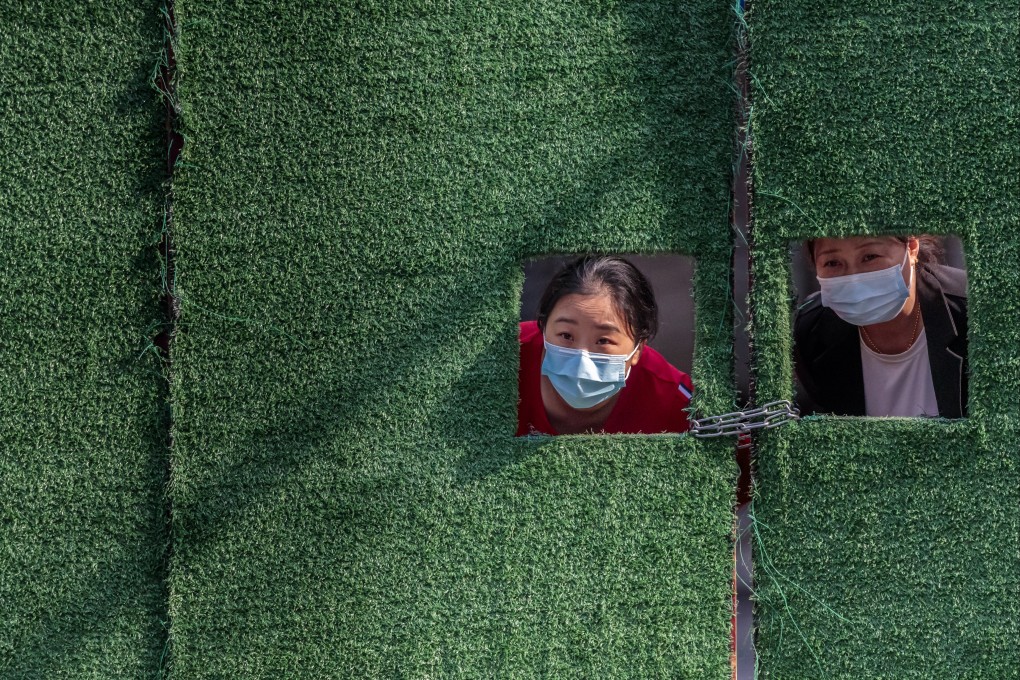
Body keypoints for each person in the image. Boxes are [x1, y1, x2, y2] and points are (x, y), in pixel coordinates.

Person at [517, 255, 694, 436]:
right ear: (544, 328)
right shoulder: (509, 352)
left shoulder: (677, 401)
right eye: (566, 335)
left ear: (637, 350)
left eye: (603, 341)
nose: (581, 360)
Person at [794, 235, 968, 417]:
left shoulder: (973, 311)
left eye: (870, 257)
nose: (854, 279)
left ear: (912, 247)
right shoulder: (812, 331)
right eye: (832, 263)